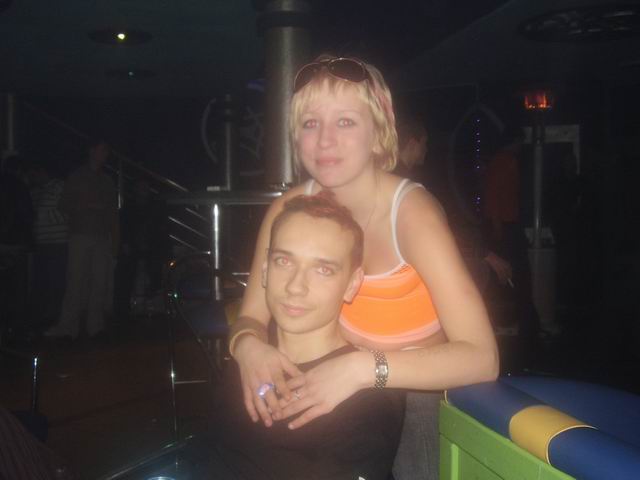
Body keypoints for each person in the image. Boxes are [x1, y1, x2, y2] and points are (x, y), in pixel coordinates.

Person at [228, 55, 499, 480]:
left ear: (379, 131)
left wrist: (362, 367)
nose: (325, 141)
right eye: (310, 123)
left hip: (413, 390)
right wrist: (247, 346)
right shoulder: (288, 208)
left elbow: (482, 357)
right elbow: (250, 317)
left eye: (345, 122)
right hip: (328, 370)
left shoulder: (411, 213)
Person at [207, 192, 405, 480]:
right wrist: (244, 345)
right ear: (265, 270)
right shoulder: (247, 359)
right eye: (284, 261)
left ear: (352, 285)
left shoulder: (368, 398)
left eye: (323, 269)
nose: (295, 286)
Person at [45, 140, 119, 340]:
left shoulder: (108, 181)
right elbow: (63, 205)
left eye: (107, 151)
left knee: (99, 282)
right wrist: (85, 205)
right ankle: (68, 327)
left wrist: (115, 241)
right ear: (91, 151)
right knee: (75, 281)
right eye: (102, 150)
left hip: (102, 236)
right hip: (80, 235)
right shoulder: (76, 176)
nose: (105, 154)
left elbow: (113, 213)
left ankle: (95, 326)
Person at [26, 161, 69, 331]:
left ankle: (54, 318)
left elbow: (68, 213)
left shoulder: (59, 186)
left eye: (34, 173)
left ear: (42, 171)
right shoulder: (35, 191)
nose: (32, 177)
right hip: (41, 244)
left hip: (57, 243)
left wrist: (41, 215)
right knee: (41, 282)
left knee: (56, 282)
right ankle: (41, 317)